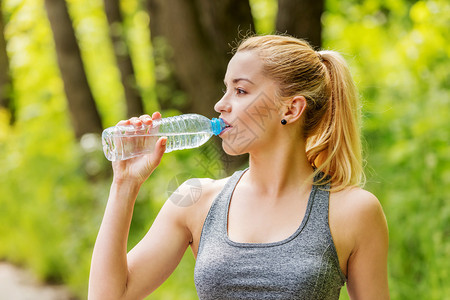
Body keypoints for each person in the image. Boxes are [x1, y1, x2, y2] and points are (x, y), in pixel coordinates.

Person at [89, 34, 389, 299]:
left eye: (241, 91)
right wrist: (124, 185)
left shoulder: (354, 211)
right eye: (225, 89)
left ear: (292, 108)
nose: (221, 104)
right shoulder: (196, 200)